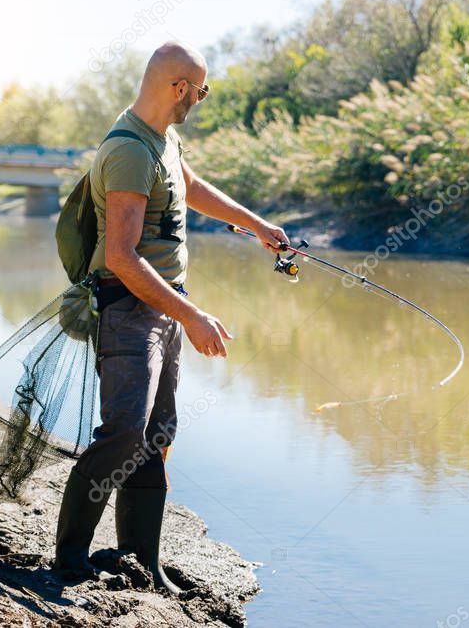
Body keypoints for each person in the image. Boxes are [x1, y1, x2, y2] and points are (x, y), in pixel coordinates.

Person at [53, 41, 288, 592]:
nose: (200, 100)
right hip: (129, 309)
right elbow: (120, 257)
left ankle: (140, 557)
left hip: (161, 307)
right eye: (200, 90)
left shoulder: (162, 137)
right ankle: (68, 559)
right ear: (178, 87)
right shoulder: (130, 150)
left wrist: (255, 225)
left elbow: (188, 184)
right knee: (123, 435)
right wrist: (194, 316)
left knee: (156, 435)